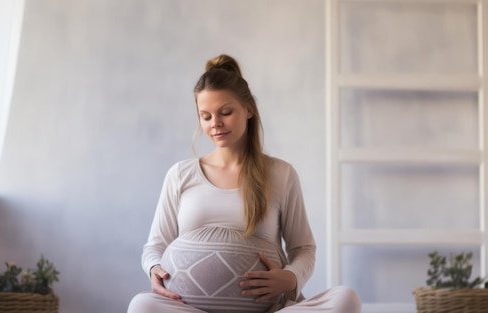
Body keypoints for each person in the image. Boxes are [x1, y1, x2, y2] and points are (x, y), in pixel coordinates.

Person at [128, 54, 361, 313]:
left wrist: (291, 277)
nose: (215, 123)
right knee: (142, 305)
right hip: (191, 309)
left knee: (346, 299)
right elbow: (155, 246)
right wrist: (154, 269)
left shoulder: (281, 174)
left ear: (249, 109)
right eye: (205, 116)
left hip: (266, 309)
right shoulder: (180, 175)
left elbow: (303, 248)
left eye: (225, 112)